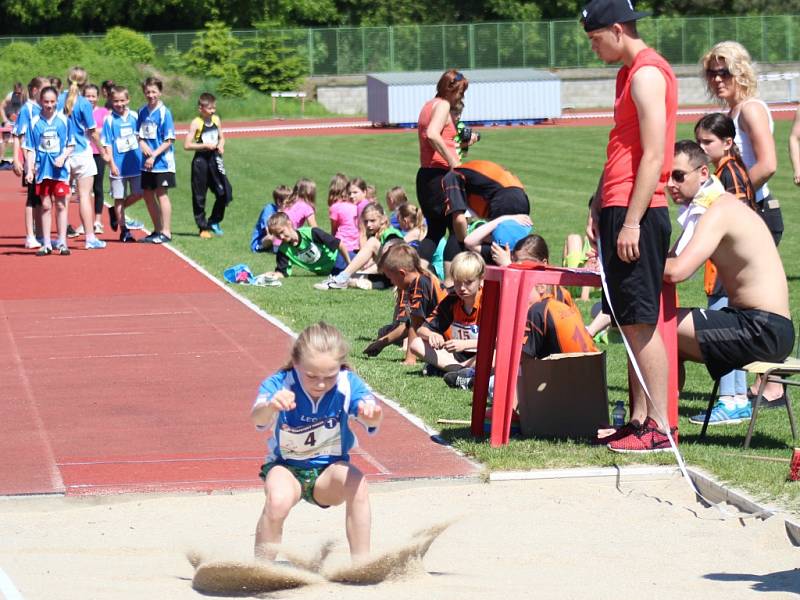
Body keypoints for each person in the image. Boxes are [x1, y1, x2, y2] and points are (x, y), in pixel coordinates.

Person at [582, 0, 678, 453]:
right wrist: (598, 203)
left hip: (638, 211)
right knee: (627, 322)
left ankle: (659, 425)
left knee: (641, 322)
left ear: (617, 29)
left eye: (595, 38)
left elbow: (655, 154)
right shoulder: (627, 74)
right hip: (619, 206)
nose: (593, 47)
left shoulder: (646, 74)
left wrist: (632, 221)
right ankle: (638, 420)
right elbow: (621, 147)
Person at [664, 141, 794, 416]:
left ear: (702, 173)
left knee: (658, 327)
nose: (670, 184)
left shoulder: (718, 210)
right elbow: (671, 258)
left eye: (678, 175)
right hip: (759, 324)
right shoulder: (707, 207)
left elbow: (677, 271)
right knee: (665, 333)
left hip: (763, 329)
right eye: (666, 176)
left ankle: (658, 423)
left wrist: (628, 266)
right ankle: (662, 420)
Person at [251, 321, 383, 561]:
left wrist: (371, 416)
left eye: (328, 377)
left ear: (340, 368)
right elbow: (258, 418)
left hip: (328, 474)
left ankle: (362, 564)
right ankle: (261, 568)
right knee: (278, 502)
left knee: (358, 484)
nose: (320, 384)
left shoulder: (347, 383)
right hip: (286, 468)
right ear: (297, 363)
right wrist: (271, 407)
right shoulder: (280, 382)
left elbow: (371, 417)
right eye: (311, 376)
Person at [702, 42, 785, 405]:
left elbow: (767, 163)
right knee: (744, 302)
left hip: (755, 214)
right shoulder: (734, 111)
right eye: (712, 72)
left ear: (741, 72)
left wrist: (731, 202)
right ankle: (766, 385)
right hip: (745, 215)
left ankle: (755, 389)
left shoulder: (750, 109)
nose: (718, 79)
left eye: (726, 72)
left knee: (732, 302)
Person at [691, 115, 757, 422]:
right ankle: (736, 396)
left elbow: (737, 220)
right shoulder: (727, 169)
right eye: (699, 141)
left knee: (722, 330)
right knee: (727, 327)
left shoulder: (729, 173)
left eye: (708, 142)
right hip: (730, 265)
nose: (702, 147)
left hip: (729, 267)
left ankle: (732, 399)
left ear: (728, 142)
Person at [416, 69, 468, 268]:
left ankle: (415, 277)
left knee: (435, 231)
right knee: (456, 228)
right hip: (442, 176)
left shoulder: (428, 105)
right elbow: (432, 134)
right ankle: (449, 282)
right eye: (460, 92)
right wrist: (453, 162)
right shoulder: (444, 105)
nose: (461, 97)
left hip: (426, 175)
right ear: (450, 89)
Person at [363, 242, 448, 364]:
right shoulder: (418, 281)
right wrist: (381, 343)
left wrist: (410, 359)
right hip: (435, 334)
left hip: (444, 338)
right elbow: (409, 325)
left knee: (417, 343)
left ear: (402, 273)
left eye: (391, 278)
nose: (392, 282)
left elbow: (416, 325)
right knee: (386, 332)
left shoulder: (420, 285)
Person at [410, 250, 484, 380]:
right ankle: (461, 372)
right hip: (456, 356)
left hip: (483, 356)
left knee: (499, 354)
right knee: (416, 344)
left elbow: (499, 343)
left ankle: (454, 371)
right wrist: (432, 334)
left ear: (481, 280)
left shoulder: (489, 301)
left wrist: (466, 344)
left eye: (468, 282)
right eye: (458, 282)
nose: (462, 288)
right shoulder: (452, 300)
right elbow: (422, 329)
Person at [58, 67, 106, 250]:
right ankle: (90, 237)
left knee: (62, 196)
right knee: (85, 195)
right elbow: (92, 132)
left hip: (62, 153)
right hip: (81, 152)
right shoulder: (85, 103)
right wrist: (103, 151)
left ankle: (61, 239)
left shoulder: (58, 99)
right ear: (85, 84)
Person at [23, 86, 74, 256]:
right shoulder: (34, 122)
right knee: (45, 205)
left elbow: (71, 144)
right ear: (41, 102)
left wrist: (63, 157)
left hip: (59, 171)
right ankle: (46, 243)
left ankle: (62, 242)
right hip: (42, 170)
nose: (49, 105)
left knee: (60, 204)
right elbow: (30, 148)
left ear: (57, 101)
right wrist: (29, 170)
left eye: (52, 102)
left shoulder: (64, 120)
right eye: (46, 102)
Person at [314, 202, 404, 291]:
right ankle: (339, 280)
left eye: (372, 221)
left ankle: (342, 278)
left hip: (400, 273)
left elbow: (397, 258)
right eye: (366, 221)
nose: (368, 225)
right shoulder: (376, 234)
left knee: (372, 243)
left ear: (383, 219)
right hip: (390, 277)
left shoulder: (390, 233)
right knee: (354, 277)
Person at [184, 92, 231, 238]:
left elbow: (222, 138)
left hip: (215, 159)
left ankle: (214, 221)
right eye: (210, 108)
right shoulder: (196, 123)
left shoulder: (216, 120)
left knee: (224, 192)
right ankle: (203, 227)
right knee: (199, 196)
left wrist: (221, 145)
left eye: (214, 108)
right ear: (201, 109)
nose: (213, 111)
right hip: (201, 161)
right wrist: (204, 146)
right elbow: (187, 145)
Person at [100, 85, 143, 244]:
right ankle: (124, 230)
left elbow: (141, 137)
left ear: (128, 99)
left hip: (136, 163)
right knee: (119, 196)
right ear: (111, 101)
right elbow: (107, 143)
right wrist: (111, 163)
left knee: (140, 193)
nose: (119, 104)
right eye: (116, 101)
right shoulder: (110, 120)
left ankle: (115, 212)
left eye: (122, 100)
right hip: (118, 165)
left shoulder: (134, 116)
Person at [137, 77, 175, 244]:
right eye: (148, 92)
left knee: (161, 194)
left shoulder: (164, 112)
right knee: (147, 194)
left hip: (162, 162)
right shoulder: (142, 111)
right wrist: (142, 144)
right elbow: (138, 134)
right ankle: (157, 229)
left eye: (154, 91)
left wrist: (154, 155)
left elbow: (169, 140)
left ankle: (166, 232)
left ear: (160, 92)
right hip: (146, 163)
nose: (150, 95)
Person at [12, 76, 47, 249]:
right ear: (35, 90)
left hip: (44, 159)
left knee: (42, 198)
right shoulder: (27, 109)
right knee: (32, 198)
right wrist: (17, 159)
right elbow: (18, 135)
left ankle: (40, 234)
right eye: (45, 89)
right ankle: (30, 235)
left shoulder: (44, 108)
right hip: (31, 159)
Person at [262, 212, 351, 280]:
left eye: (282, 232)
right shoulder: (283, 251)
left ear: (289, 224)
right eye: (277, 235)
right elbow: (282, 273)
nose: (281, 237)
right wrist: (273, 275)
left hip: (340, 260)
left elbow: (339, 244)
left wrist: (350, 265)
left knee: (362, 272)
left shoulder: (311, 233)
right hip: (328, 273)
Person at [83, 83, 108, 235]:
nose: (91, 99)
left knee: (97, 187)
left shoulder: (104, 112)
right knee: (84, 190)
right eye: (88, 96)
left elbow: (105, 129)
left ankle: (98, 221)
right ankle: (85, 222)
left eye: (93, 96)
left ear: (98, 97)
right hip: (84, 153)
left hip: (98, 152)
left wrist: (93, 130)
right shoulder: (80, 110)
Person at [463, 213, 533, 266]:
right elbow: (468, 241)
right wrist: (503, 218)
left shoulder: (499, 254)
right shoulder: (497, 254)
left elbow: (469, 242)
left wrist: (503, 219)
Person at [250, 185, 291, 253]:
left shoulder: (285, 212)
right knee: (271, 237)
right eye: (288, 202)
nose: (290, 204)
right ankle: (260, 248)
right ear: (279, 202)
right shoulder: (269, 209)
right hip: (262, 241)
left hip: (275, 242)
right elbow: (268, 231)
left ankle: (277, 249)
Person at [328, 175, 361, 255]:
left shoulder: (335, 207)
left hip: (342, 245)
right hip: (357, 245)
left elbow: (334, 230)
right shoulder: (356, 205)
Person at [0, 82, 24, 162]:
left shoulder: (24, 97)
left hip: (19, 121)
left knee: (21, 140)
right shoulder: (10, 97)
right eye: (16, 93)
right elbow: (1, 107)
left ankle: (20, 159)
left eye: (19, 93)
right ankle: (1, 159)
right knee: (5, 140)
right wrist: (5, 120)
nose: (17, 94)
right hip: (9, 120)